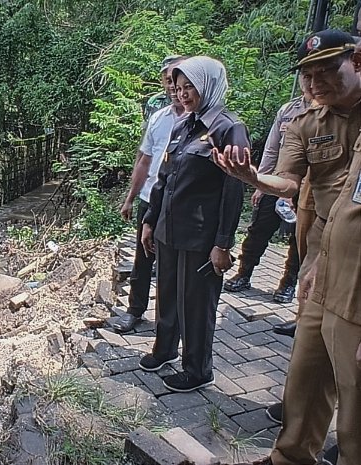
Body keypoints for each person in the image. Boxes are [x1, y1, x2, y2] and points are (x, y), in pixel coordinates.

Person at [214, 29, 361, 465]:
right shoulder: (305, 122)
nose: (315, 83)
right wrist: (254, 179)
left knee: (354, 387)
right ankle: (291, 456)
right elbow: (289, 181)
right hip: (322, 256)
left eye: (327, 70)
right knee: (307, 370)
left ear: (356, 62)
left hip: (357, 273)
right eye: (307, 75)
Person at [137, 56, 248, 393]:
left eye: (190, 87)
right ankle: (165, 349)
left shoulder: (229, 129)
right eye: (179, 87)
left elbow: (233, 190)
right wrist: (150, 221)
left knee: (196, 304)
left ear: (209, 86)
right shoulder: (183, 125)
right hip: (169, 229)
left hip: (200, 236)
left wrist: (223, 243)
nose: (183, 94)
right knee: (167, 293)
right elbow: (163, 179)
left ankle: (198, 369)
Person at [114, 56, 187, 333]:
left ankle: (169, 322)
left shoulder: (204, 121)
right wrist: (130, 198)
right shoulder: (158, 118)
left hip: (181, 202)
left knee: (174, 264)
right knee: (143, 259)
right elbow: (144, 161)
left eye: (180, 82)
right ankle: (135, 310)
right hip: (151, 198)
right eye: (169, 81)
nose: (174, 88)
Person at [223, 83, 313, 304]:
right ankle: (244, 273)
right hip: (276, 181)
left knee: (299, 240)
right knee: (257, 231)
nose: (310, 82)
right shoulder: (288, 110)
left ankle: (288, 283)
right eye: (305, 76)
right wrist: (260, 184)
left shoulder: (330, 112)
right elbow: (272, 149)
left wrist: (295, 192)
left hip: (308, 189)